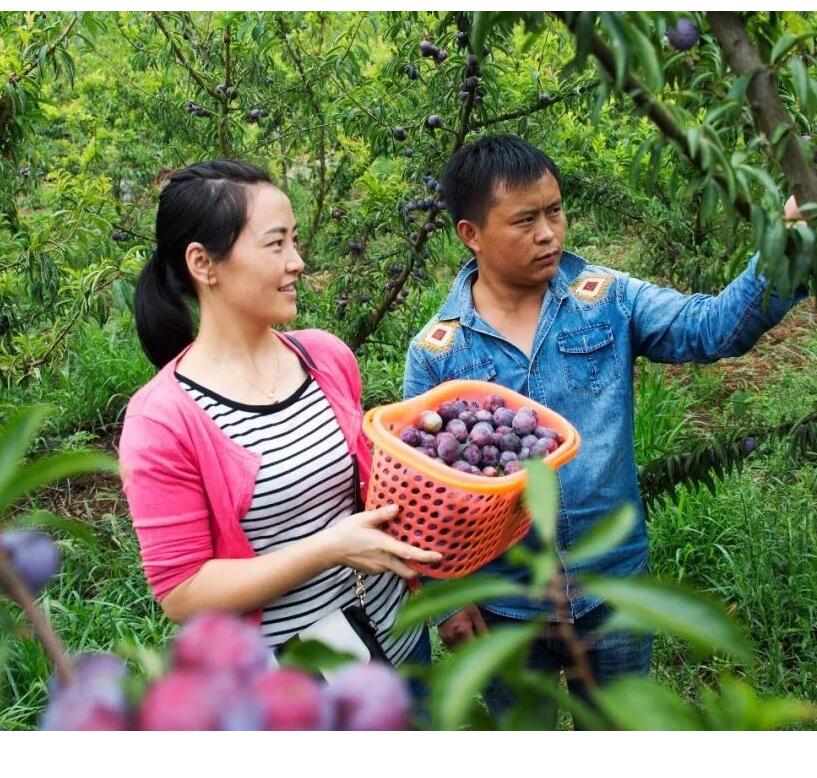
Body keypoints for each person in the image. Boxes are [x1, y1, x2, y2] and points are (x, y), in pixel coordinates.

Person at [402, 133, 807, 722]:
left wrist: (786, 245)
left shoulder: (607, 299)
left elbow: (713, 328)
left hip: (609, 584)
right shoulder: (438, 351)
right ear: (471, 233)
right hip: (504, 603)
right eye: (525, 221)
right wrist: (443, 603)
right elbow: (426, 493)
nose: (548, 232)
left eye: (555, 211)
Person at [119, 160, 441, 685]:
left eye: (294, 241)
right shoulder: (164, 420)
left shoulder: (325, 358)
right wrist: (331, 548)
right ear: (204, 263)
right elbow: (182, 592)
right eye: (275, 244)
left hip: (402, 642)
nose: (296, 262)